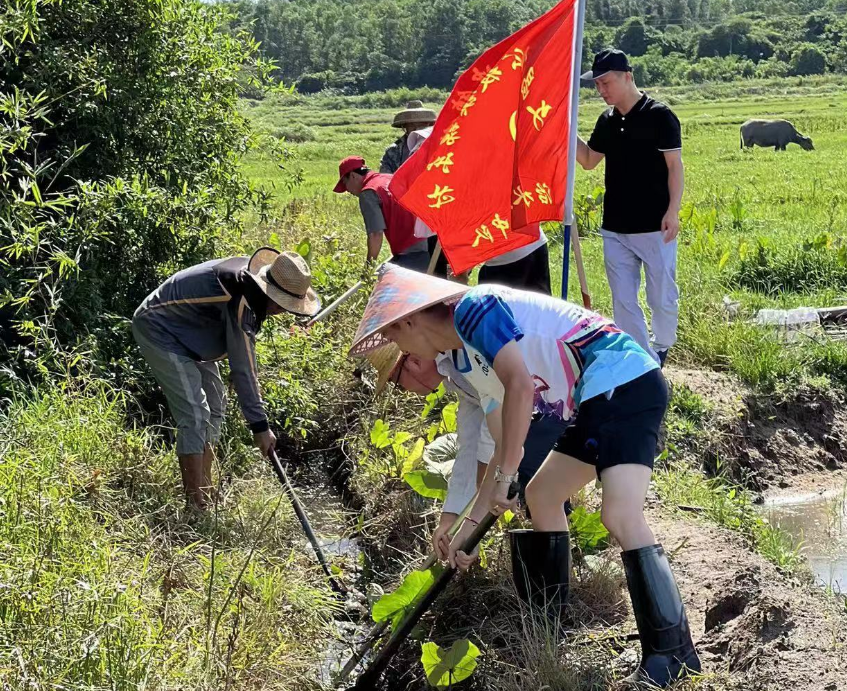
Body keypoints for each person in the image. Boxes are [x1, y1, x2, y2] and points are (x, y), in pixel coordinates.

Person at [349, 265, 700, 688]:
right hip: (591, 399)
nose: (398, 346)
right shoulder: (466, 354)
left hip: (622, 380)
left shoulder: (474, 309)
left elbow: (520, 387)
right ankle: (551, 624)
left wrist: (507, 475)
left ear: (409, 320)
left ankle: (672, 654)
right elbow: (501, 444)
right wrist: (469, 525)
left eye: (394, 337)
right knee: (544, 495)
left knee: (620, 516)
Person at [132, 248, 321, 510]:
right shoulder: (243, 297)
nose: (284, 312)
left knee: (216, 405)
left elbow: (242, 357)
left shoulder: (252, 287)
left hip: (193, 334)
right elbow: (243, 366)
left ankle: (206, 490)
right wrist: (260, 426)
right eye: (284, 306)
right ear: (273, 297)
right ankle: (195, 506)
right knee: (196, 415)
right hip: (161, 328)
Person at [383, 353, 567, 563]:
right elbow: (470, 443)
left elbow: (500, 429)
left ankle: (553, 586)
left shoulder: (466, 355)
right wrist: (451, 518)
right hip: (538, 404)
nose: (405, 392)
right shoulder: (454, 375)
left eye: (396, 383)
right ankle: (552, 583)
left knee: (537, 491)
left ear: (413, 362)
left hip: (553, 396)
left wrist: (475, 514)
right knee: (529, 490)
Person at [577, 48, 684, 368]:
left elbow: (675, 167)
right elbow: (588, 161)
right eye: (597, 85)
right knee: (623, 301)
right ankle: (644, 362)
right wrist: (565, 129)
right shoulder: (606, 121)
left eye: (606, 82)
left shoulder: (659, 115)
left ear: (627, 76)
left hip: (655, 226)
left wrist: (673, 211)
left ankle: (662, 344)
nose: (601, 90)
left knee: (661, 297)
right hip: (615, 228)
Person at [334, 156, 431, 272]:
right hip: (427, 246)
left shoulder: (368, 193)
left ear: (353, 176)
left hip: (409, 255)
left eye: (345, 183)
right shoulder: (388, 177)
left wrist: (368, 269)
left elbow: (376, 234)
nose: (347, 190)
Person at [380, 100, 437, 174]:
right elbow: (385, 177)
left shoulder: (439, 145)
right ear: (405, 127)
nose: (417, 128)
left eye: (421, 124)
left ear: (428, 124)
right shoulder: (393, 150)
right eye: (411, 125)